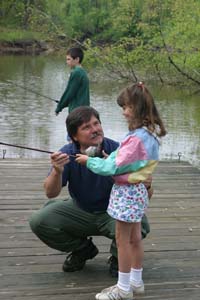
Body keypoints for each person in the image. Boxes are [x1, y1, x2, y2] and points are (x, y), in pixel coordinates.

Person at [29, 106, 152, 280]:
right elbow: (50, 193)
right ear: (74, 137)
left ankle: (118, 257)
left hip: (114, 213)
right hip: (81, 210)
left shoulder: (119, 149)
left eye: (96, 124)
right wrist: (57, 171)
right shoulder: (67, 153)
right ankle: (82, 250)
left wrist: (146, 185)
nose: (95, 130)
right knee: (39, 220)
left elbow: (144, 196)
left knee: (141, 225)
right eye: (86, 127)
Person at [76, 84, 166, 300]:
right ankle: (136, 282)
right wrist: (111, 159)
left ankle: (123, 289)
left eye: (126, 107)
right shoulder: (148, 134)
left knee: (122, 240)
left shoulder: (136, 138)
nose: (123, 111)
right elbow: (125, 160)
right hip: (137, 192)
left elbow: (112, 168)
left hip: (127, 193)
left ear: (137, 108)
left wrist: (90, 161)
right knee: (135, 239)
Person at [55, 47, 90, 116]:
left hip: (77, 112)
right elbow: (75, 94)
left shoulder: (76, 72)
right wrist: (64, 103)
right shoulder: (82, 71)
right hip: (84, 110)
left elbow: (69, 92)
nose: (67, 62)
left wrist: (59, 107)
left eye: (69, 59)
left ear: (77, 59)